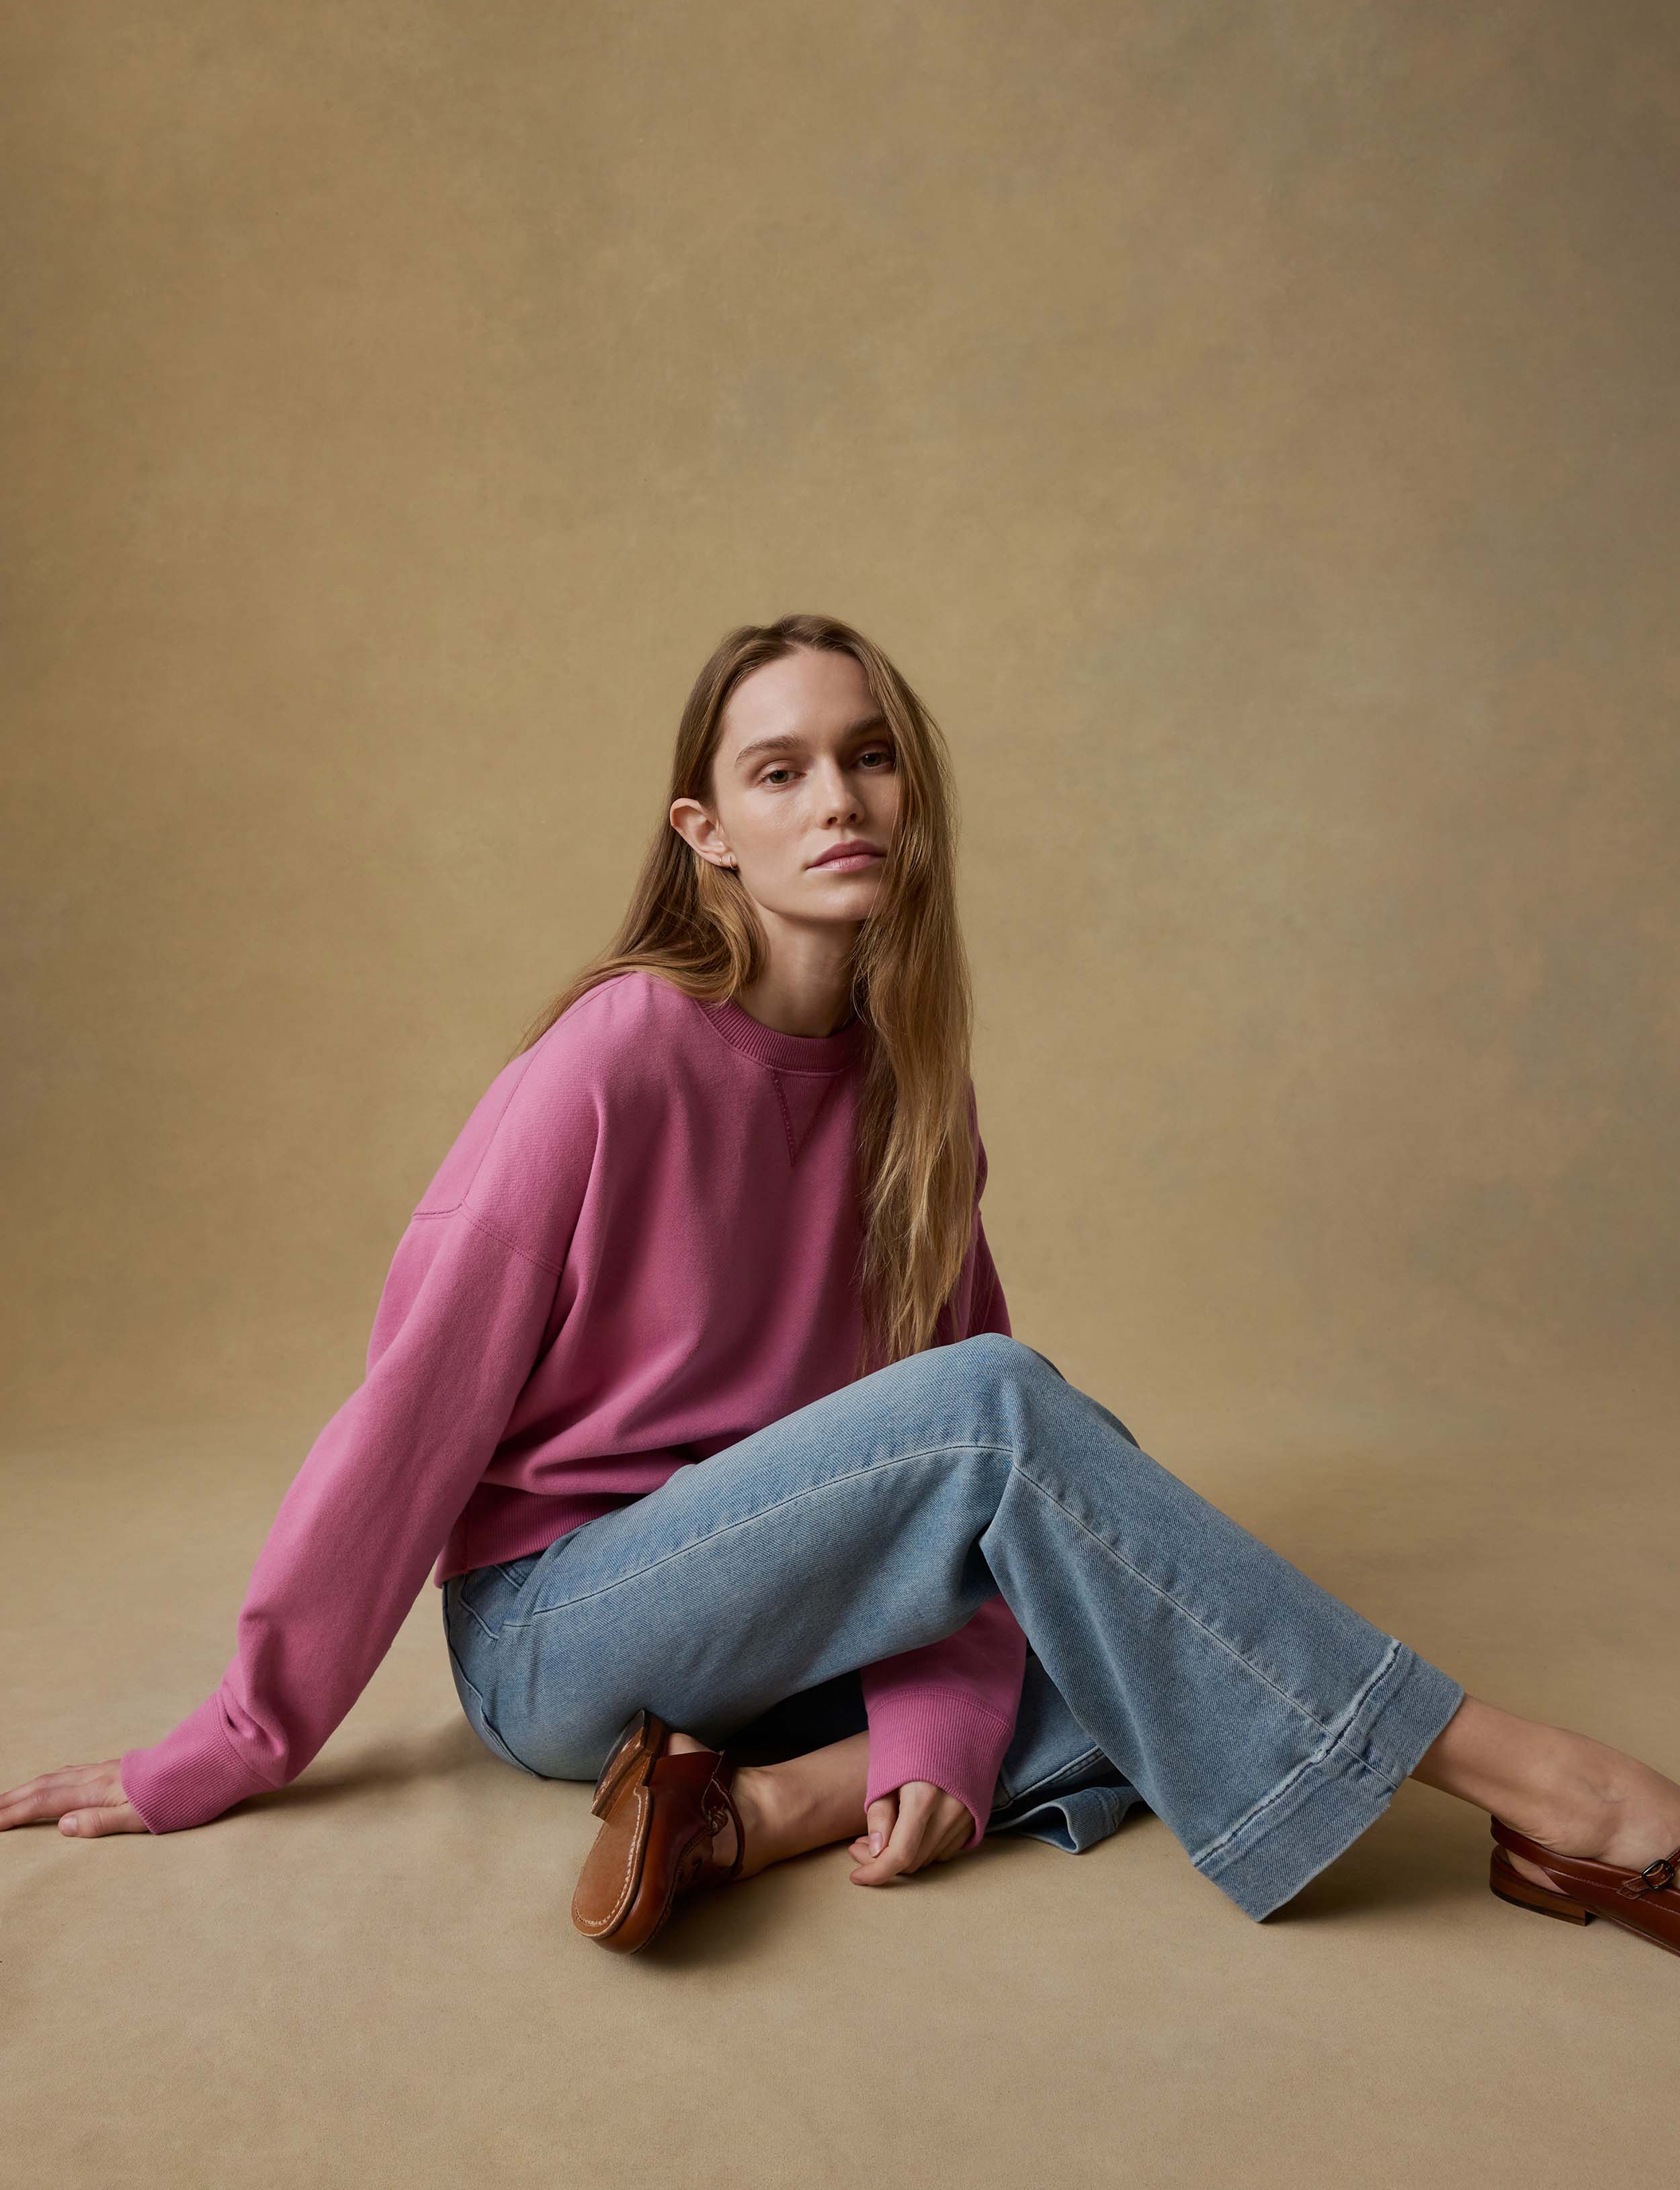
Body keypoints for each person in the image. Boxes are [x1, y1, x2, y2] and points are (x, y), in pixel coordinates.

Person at [6, 614, 1678, 1963]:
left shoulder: (913, 1097)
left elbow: (968, 1506)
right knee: (1045, 1443)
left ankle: (769, 1805)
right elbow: (409, 1415)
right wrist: (237, 1733)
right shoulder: (610, 1060)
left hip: (786, 1637)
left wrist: (937, 1725)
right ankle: (1525, 1779)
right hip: (561, 1631)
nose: (837, 800)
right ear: (706, 833)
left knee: (1129, 1559)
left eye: (869, 758)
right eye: (781, 768)